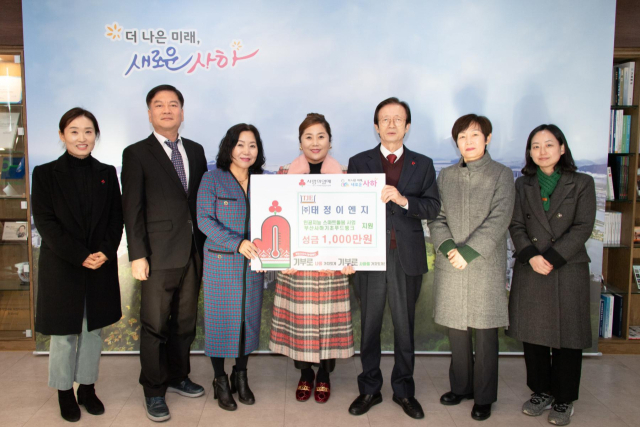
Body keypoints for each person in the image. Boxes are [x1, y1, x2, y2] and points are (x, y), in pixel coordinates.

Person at [347, 97, 440, 419]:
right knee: (370, 326)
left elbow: (432, 207)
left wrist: (403, 200)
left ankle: (404, 390)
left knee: (405, 327)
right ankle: (369, 388)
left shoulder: (423, 164)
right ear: (376, 127)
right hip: (369, 257)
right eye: (384, 119)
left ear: (407, 126)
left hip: (405, 256)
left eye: (397, 119)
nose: (391, 124)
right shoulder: (359, 162)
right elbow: (348, 210)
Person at [121, 85, 208, 422]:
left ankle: (178, 375)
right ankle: (154, 390)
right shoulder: (136, 153)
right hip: (157, 255)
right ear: (149, 113)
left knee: (184, 323)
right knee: (155, 325)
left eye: (173, 105)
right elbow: (132, 208)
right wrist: (137, 255)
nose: (167, 110)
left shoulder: (196, 151)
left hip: (193, 251)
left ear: (182, 112)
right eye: (159, 105)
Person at [32, 107, 123, 422]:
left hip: (99, 265)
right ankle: (63, 392)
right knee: (64, 334)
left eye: (88, 131)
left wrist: (105, 252)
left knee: (93, 331)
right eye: (74, 131)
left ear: (95, 136)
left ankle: (87, 387)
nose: (81, 138)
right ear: (62, 135)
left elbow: (116, 219)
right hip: (62, 266)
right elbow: (46, 223)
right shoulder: (45, 174)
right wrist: (79, 255)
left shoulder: (107, 172)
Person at [507, 124, 596, 426]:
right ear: (529, 152)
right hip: (532, 266)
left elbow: (583, 226)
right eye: (535, 146)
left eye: (548, 145)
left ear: (562, 148)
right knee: (533, 334)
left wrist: (553, 258)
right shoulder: (523, 184)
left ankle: (564, 398)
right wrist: (531, 256)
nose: (542, 151)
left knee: (568, 336)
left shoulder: (582, 182)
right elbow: (515, 225)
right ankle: (540, 392)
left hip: (567, 267)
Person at [429, 114, 515, 421]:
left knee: (485, 332)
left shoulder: (502, 174)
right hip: (452, 262)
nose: (468, 142)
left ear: (487, 139)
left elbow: (500, 218)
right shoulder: (446, 176)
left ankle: (484, 396)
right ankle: (461, 387)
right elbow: (436, 217)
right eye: (462, 137)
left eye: (475, 135)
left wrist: (468, 251)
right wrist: (449, 248)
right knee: (457, 330)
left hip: (484, 264)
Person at [269, 113, 356, 404]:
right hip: (296, 266)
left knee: (329, 325)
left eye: (321, 136)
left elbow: (352, 222)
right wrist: (281, 258)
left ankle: (325, 375)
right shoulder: (284, 174)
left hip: (332, 267)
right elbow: (274, 217)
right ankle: (305, 373)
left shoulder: (345, 175)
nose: (315, 142)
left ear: (330, 141)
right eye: (308, 137)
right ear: (300, 142)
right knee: (300, 325)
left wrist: (348, 256)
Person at [196, 124, 265, 411]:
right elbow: (204, 220)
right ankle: (220, 379)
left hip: (254, 263)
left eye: (252, 145)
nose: (246, 151)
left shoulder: (264, 181)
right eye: (240, 144)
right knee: (219, 322)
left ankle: (241, 375)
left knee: (247, 321)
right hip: (221, 262)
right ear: (229, 147)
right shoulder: (212, 178)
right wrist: (236, 243)